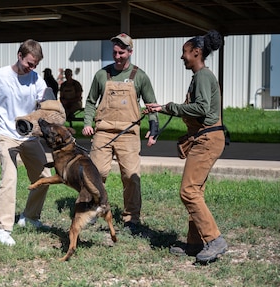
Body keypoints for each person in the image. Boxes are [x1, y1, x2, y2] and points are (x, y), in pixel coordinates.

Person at [145, 30, 228, 263]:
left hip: (207, 140)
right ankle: (195, 243)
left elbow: (201, 108)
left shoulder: (202, 75)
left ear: (196, 52)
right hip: (205, 138)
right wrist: (161, 108)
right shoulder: (200, 76)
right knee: (196, 192)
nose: (182, 57)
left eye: (185, 52)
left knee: (188, 191)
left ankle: (214, 240)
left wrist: (169, 107)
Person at [82, 33, 159, 234]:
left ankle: (131, 217)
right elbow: (90, 102)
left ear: (130, 52)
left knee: (131, 176)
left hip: (129, 134)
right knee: (96, 173)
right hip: (103, 132)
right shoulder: (101, 75)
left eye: (121, 52)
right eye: (115, 52)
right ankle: (90, 210)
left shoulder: (140, 76)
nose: (117, 56)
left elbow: (151, 106)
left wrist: (153, 128)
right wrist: (87, 123)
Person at [0, 39, 51, 246]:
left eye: (35, 65)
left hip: (29, 135)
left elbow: (46, 105)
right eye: (29, 63)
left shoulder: (37, 80)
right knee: (9, 179)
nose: (32, 68)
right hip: (5, 134)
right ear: (19, 55)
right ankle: (2, 229)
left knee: (44, 177)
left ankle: (30, 218)